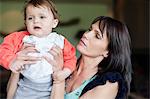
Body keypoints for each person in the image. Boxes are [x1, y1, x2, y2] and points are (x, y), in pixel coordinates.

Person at [7, 16, 132, 99]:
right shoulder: (64, 63)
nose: (86, 35)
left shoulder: (109, 83)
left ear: (108, 52)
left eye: (97, 35)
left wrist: (59, 79)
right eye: (90, 29)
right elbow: (12, 95)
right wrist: (17, 66)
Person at [0, 0, 76, 99]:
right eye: (30, 18)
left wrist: (65, 72)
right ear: (26, 23)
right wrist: (11, 62)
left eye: (42, 17)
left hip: (49, 89)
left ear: (54, 23)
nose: (36, 21)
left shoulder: (60, 41)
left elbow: (71, 58)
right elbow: (3, 49)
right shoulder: (20, 38)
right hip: (25, 87)